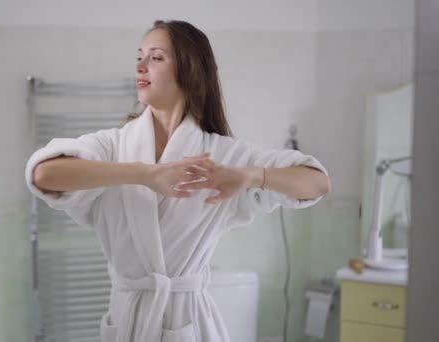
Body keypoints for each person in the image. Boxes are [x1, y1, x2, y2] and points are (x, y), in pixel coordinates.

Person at [25, 20, 330, 342]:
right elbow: (45, 174)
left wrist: (249, 176)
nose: (140, 65)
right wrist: (146, 174)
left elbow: (317, 183)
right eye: (139, 56)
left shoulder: (224, 156)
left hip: (189, 320)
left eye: (156, 58)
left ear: (191, 69)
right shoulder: (112, 146)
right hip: (128, 317)